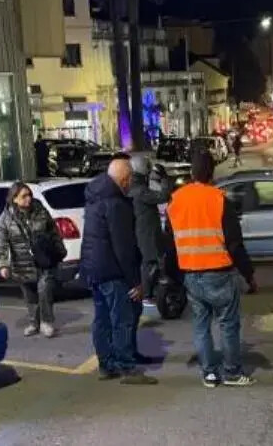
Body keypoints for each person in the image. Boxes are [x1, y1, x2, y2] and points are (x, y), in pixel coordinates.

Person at [165, 150, 257, 388]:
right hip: (220, 273)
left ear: (192, 173)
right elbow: (235, 244)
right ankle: (232, 373)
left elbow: (169, 244)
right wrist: (249, 274)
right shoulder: (219, 199)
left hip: (191, 274)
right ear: (212, 172)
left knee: (201, 325)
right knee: (228, 323)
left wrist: (174, 277)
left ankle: (209, 374)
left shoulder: (175, 200)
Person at [80, 158, 157, 384]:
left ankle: (107, 365)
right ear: (125, 179)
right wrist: (135, 281)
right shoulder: (116, 204)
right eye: (130, 178)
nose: (131, 182)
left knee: (102, 319)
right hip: (112, 270)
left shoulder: (95, 196)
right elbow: (123, 246)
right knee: (122, 318)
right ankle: (126, 366)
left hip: (94, 269)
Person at [0, 182, 67, 338]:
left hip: (44, 261)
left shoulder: (40, 211)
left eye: (29, 195)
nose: (28, 199)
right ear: (14, 199)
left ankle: (47, 322)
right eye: (24, 196)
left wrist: (60, 250)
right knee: (30, 296)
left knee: (44, 290)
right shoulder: (6, 219)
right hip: (22, 263)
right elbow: (1, 242)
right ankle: (34, 323)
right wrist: (3, 264)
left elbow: (54, 232)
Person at [128, 155, 171, 306]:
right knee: (149, 263)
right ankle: (146, 294)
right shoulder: (140, 191)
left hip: (143, 231)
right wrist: (164, 179)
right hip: (146, 232)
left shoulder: (133, 188)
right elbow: (163, 196)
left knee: (149, 262)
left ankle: (148, 291)